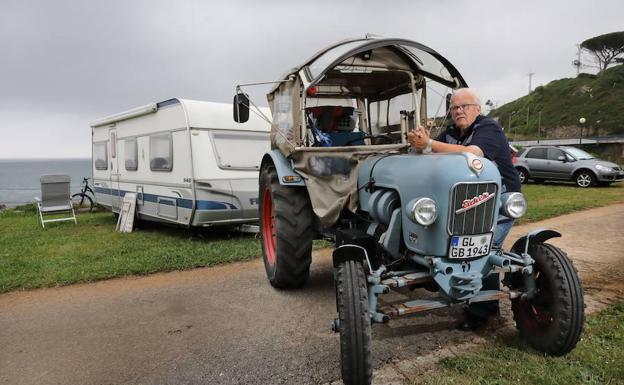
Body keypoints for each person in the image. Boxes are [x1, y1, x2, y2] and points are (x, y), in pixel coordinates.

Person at [407, 87, 521, 330]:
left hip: (498, 201)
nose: (458, 111)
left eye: (464, 106)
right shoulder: (450, 133)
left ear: (477, 109)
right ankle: (449, 283)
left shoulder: (488, 128)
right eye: (454, 107)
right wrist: (422, 144)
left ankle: (483, 313)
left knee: (485, 250)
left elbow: (473, 154)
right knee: (453, 246)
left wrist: (429, 143)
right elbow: (433, 157)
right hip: (465, 200)